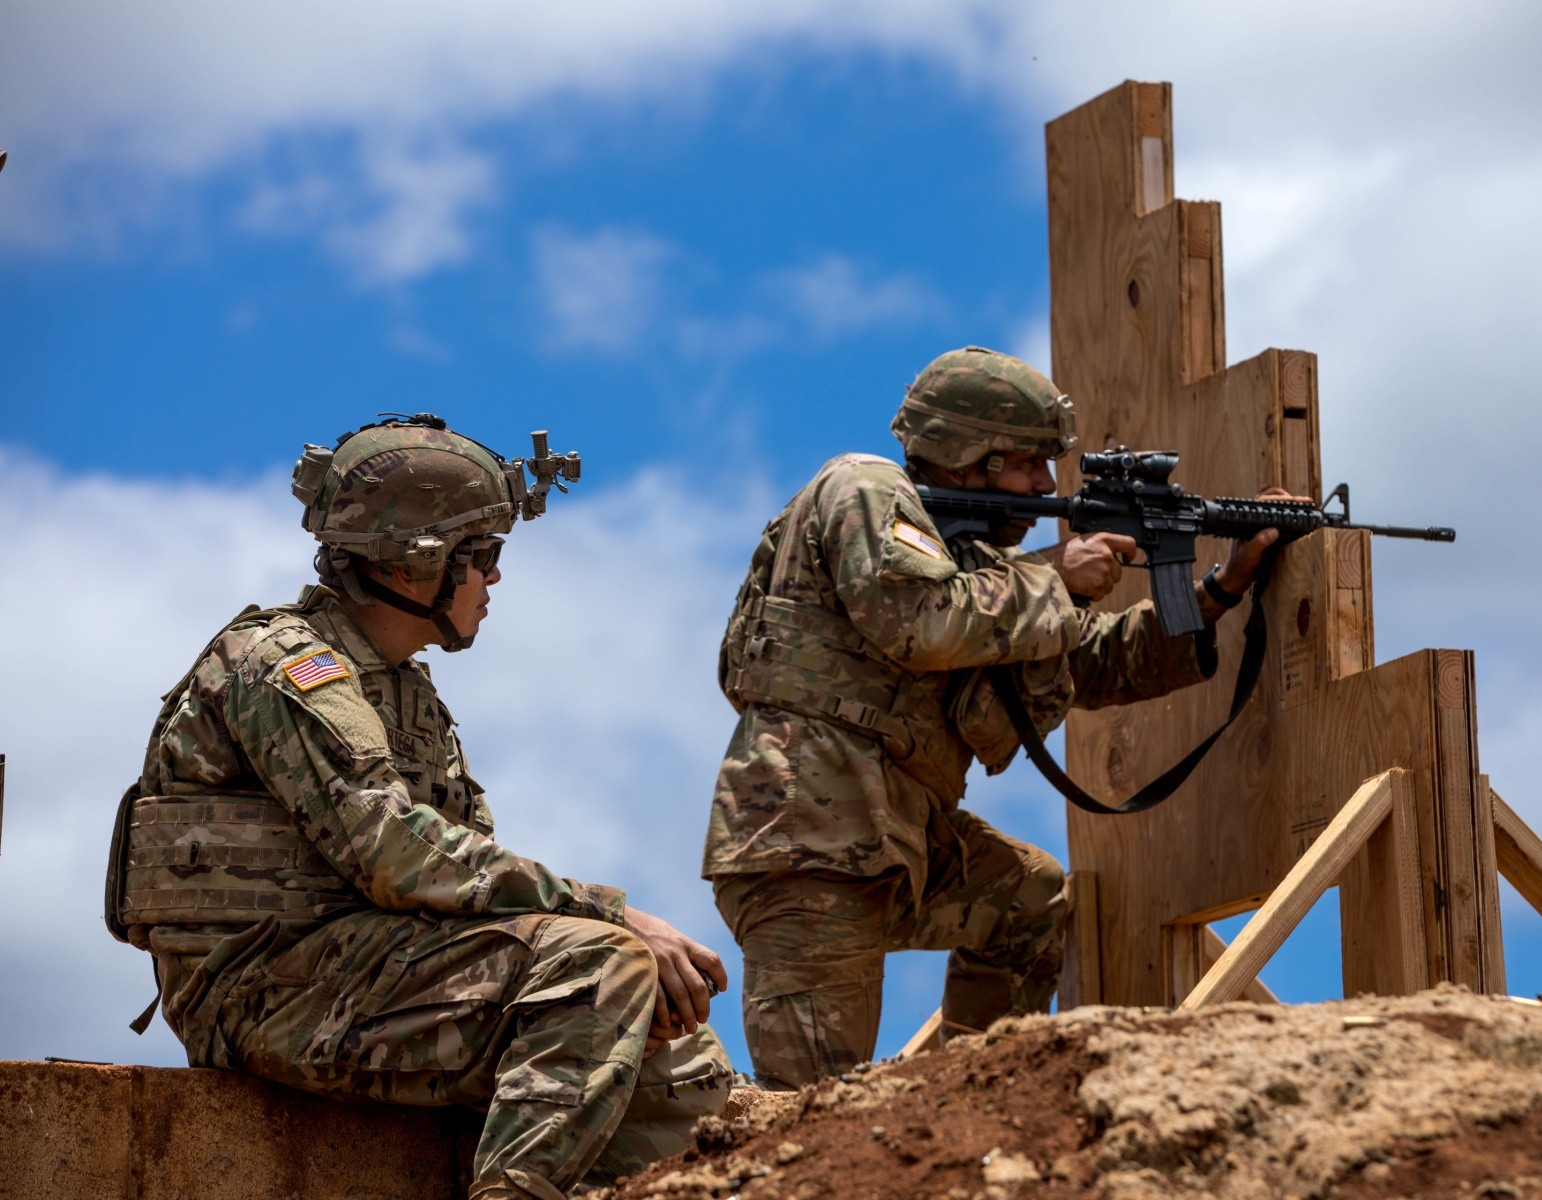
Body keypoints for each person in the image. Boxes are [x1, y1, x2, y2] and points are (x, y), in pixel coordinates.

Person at [106, 414, 732, 1200]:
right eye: (484, 556)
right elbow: (397, 854)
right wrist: (614, 915)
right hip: (262, 991)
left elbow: (461, 879)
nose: (494, 580)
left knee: (677, 1057)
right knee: (598, 967)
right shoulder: (286, 667)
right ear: (414, 565)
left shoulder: (405, 692)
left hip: (354, 972)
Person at [705, 346, 1293, 1089]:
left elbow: (1090, 662)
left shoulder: (982, 569)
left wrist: (1218, 591)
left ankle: (968, 1102)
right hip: (808, 844)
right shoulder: (863, 488)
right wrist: (1056, 578)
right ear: (966, 456)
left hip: (899, 837)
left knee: (1029, 901)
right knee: (815, 1102)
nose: (1047, 485)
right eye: (1027, 464)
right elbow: (915, 621)